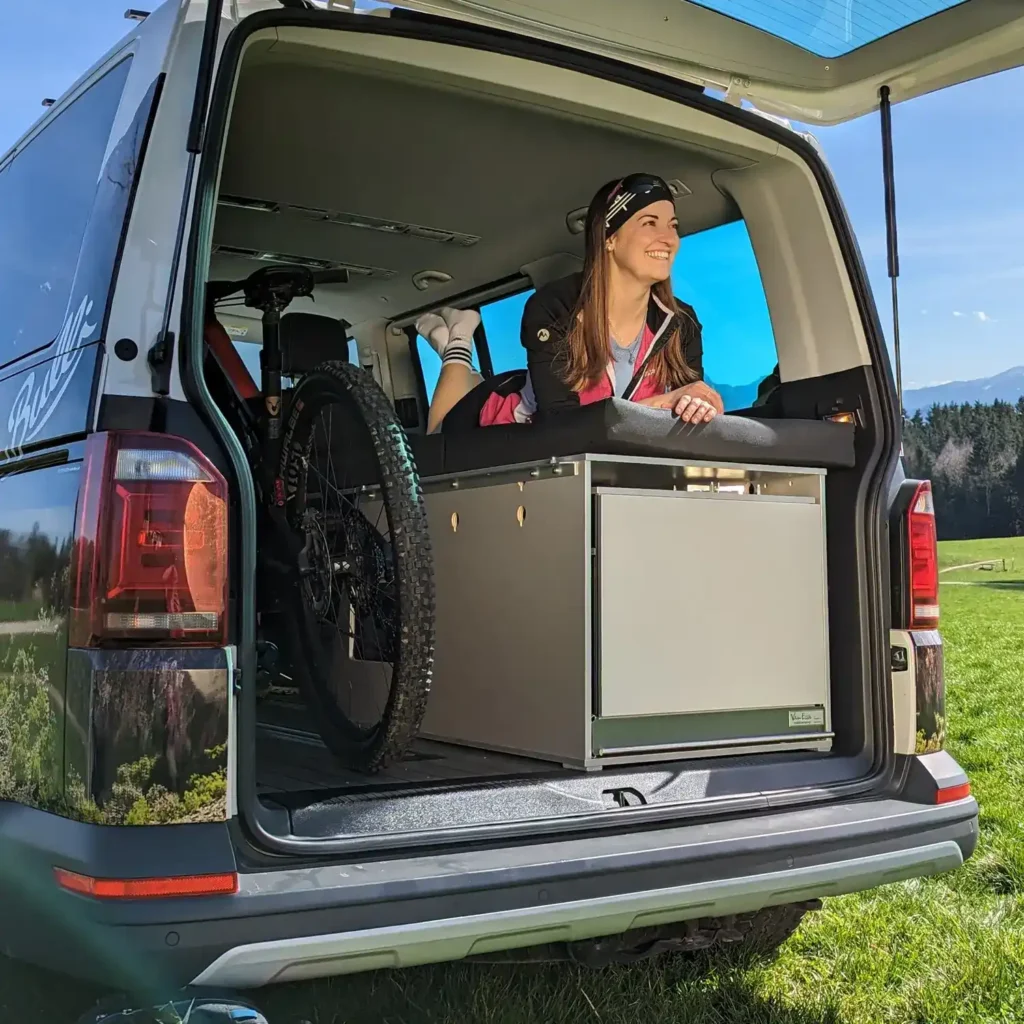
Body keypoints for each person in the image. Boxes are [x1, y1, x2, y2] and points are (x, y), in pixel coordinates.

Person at [417, 172, 723, 433]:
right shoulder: (554, 307)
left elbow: (686, 407)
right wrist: (664, 403)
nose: (669, 238)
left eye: (672, 225)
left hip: (595, 441)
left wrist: (699, 403)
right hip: (505, 421)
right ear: (610, 238)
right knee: (438, 432)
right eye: (649, 223)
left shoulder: (681, 322)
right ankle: (456, 342)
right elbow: (560, 424)